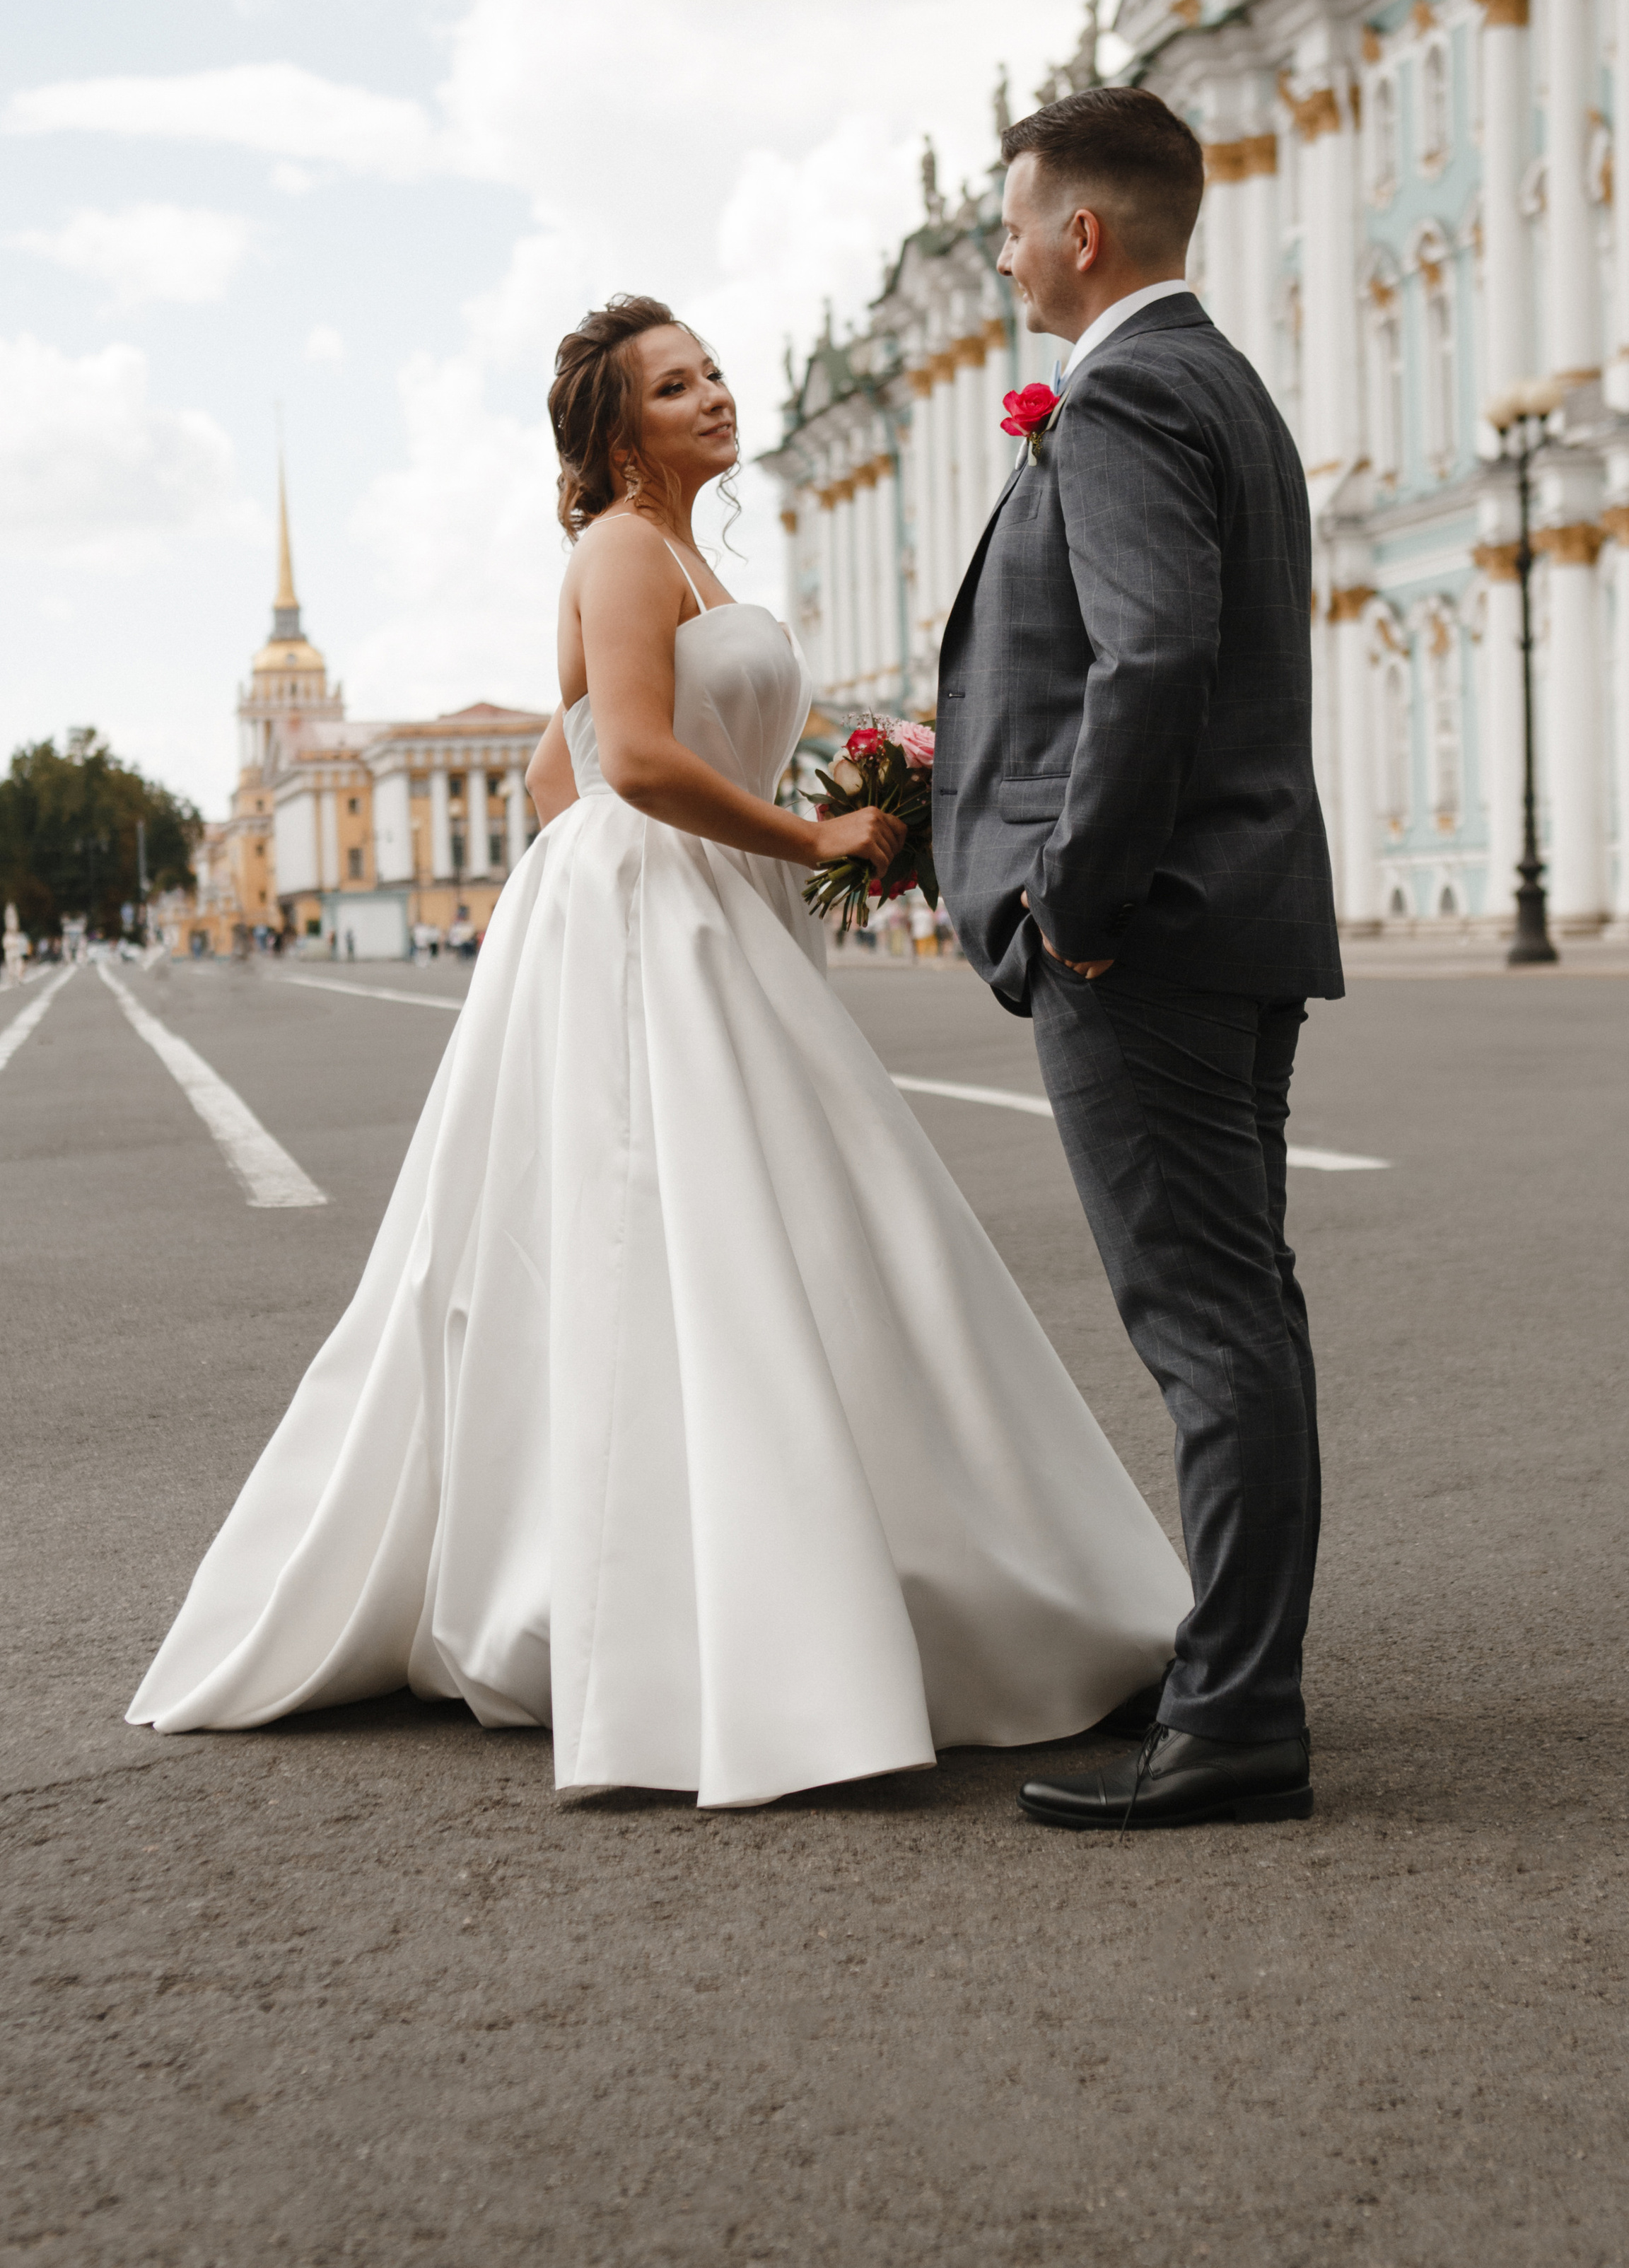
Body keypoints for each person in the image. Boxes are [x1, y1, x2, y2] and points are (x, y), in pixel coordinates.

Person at [129, 294, 1185, 1808]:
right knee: (702, 1244)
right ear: (617, 433)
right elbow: (627, 759)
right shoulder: (622, 548)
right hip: (663, 925)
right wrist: (779, 839)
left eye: (712, 373)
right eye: (673, 386)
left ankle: (915, 1579)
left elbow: (560, 760)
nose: (710, 397)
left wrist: (765, 849)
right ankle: (724, 1622)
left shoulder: (689, 555)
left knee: (805, 1234)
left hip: (697, 912)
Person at [936, 88, 1343, 1831]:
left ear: (1080, 234)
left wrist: (1072, 907)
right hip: (1237, 914)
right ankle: (1231, 1675)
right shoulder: (1224, 385)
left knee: (1203, 1320)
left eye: (1015, 222)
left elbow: (1153, 658)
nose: (1004, 250)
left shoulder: (1117, 394)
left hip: (1149, 939)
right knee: (1244, 1306)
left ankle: (1237, 1715)